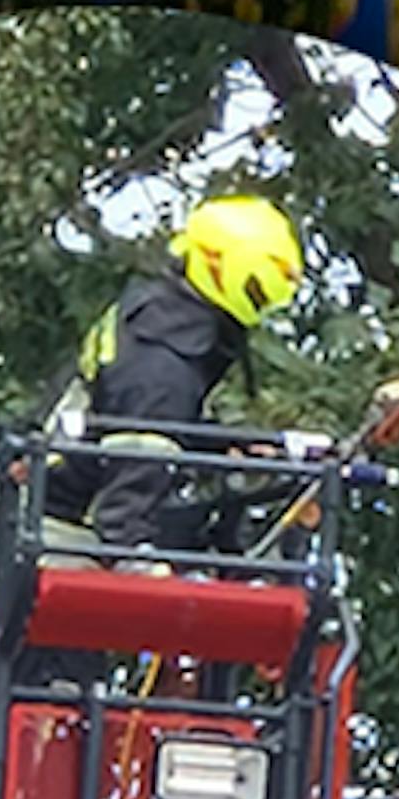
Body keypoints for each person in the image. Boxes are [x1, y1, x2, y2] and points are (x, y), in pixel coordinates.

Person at [41, 194, 305, 559]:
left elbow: (141, 422)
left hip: (58, 513)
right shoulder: (163, 357)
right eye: (261, 294)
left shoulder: (161, 319)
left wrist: (218, 444)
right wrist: (134, 558)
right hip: (64, 535)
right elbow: (141, 448)